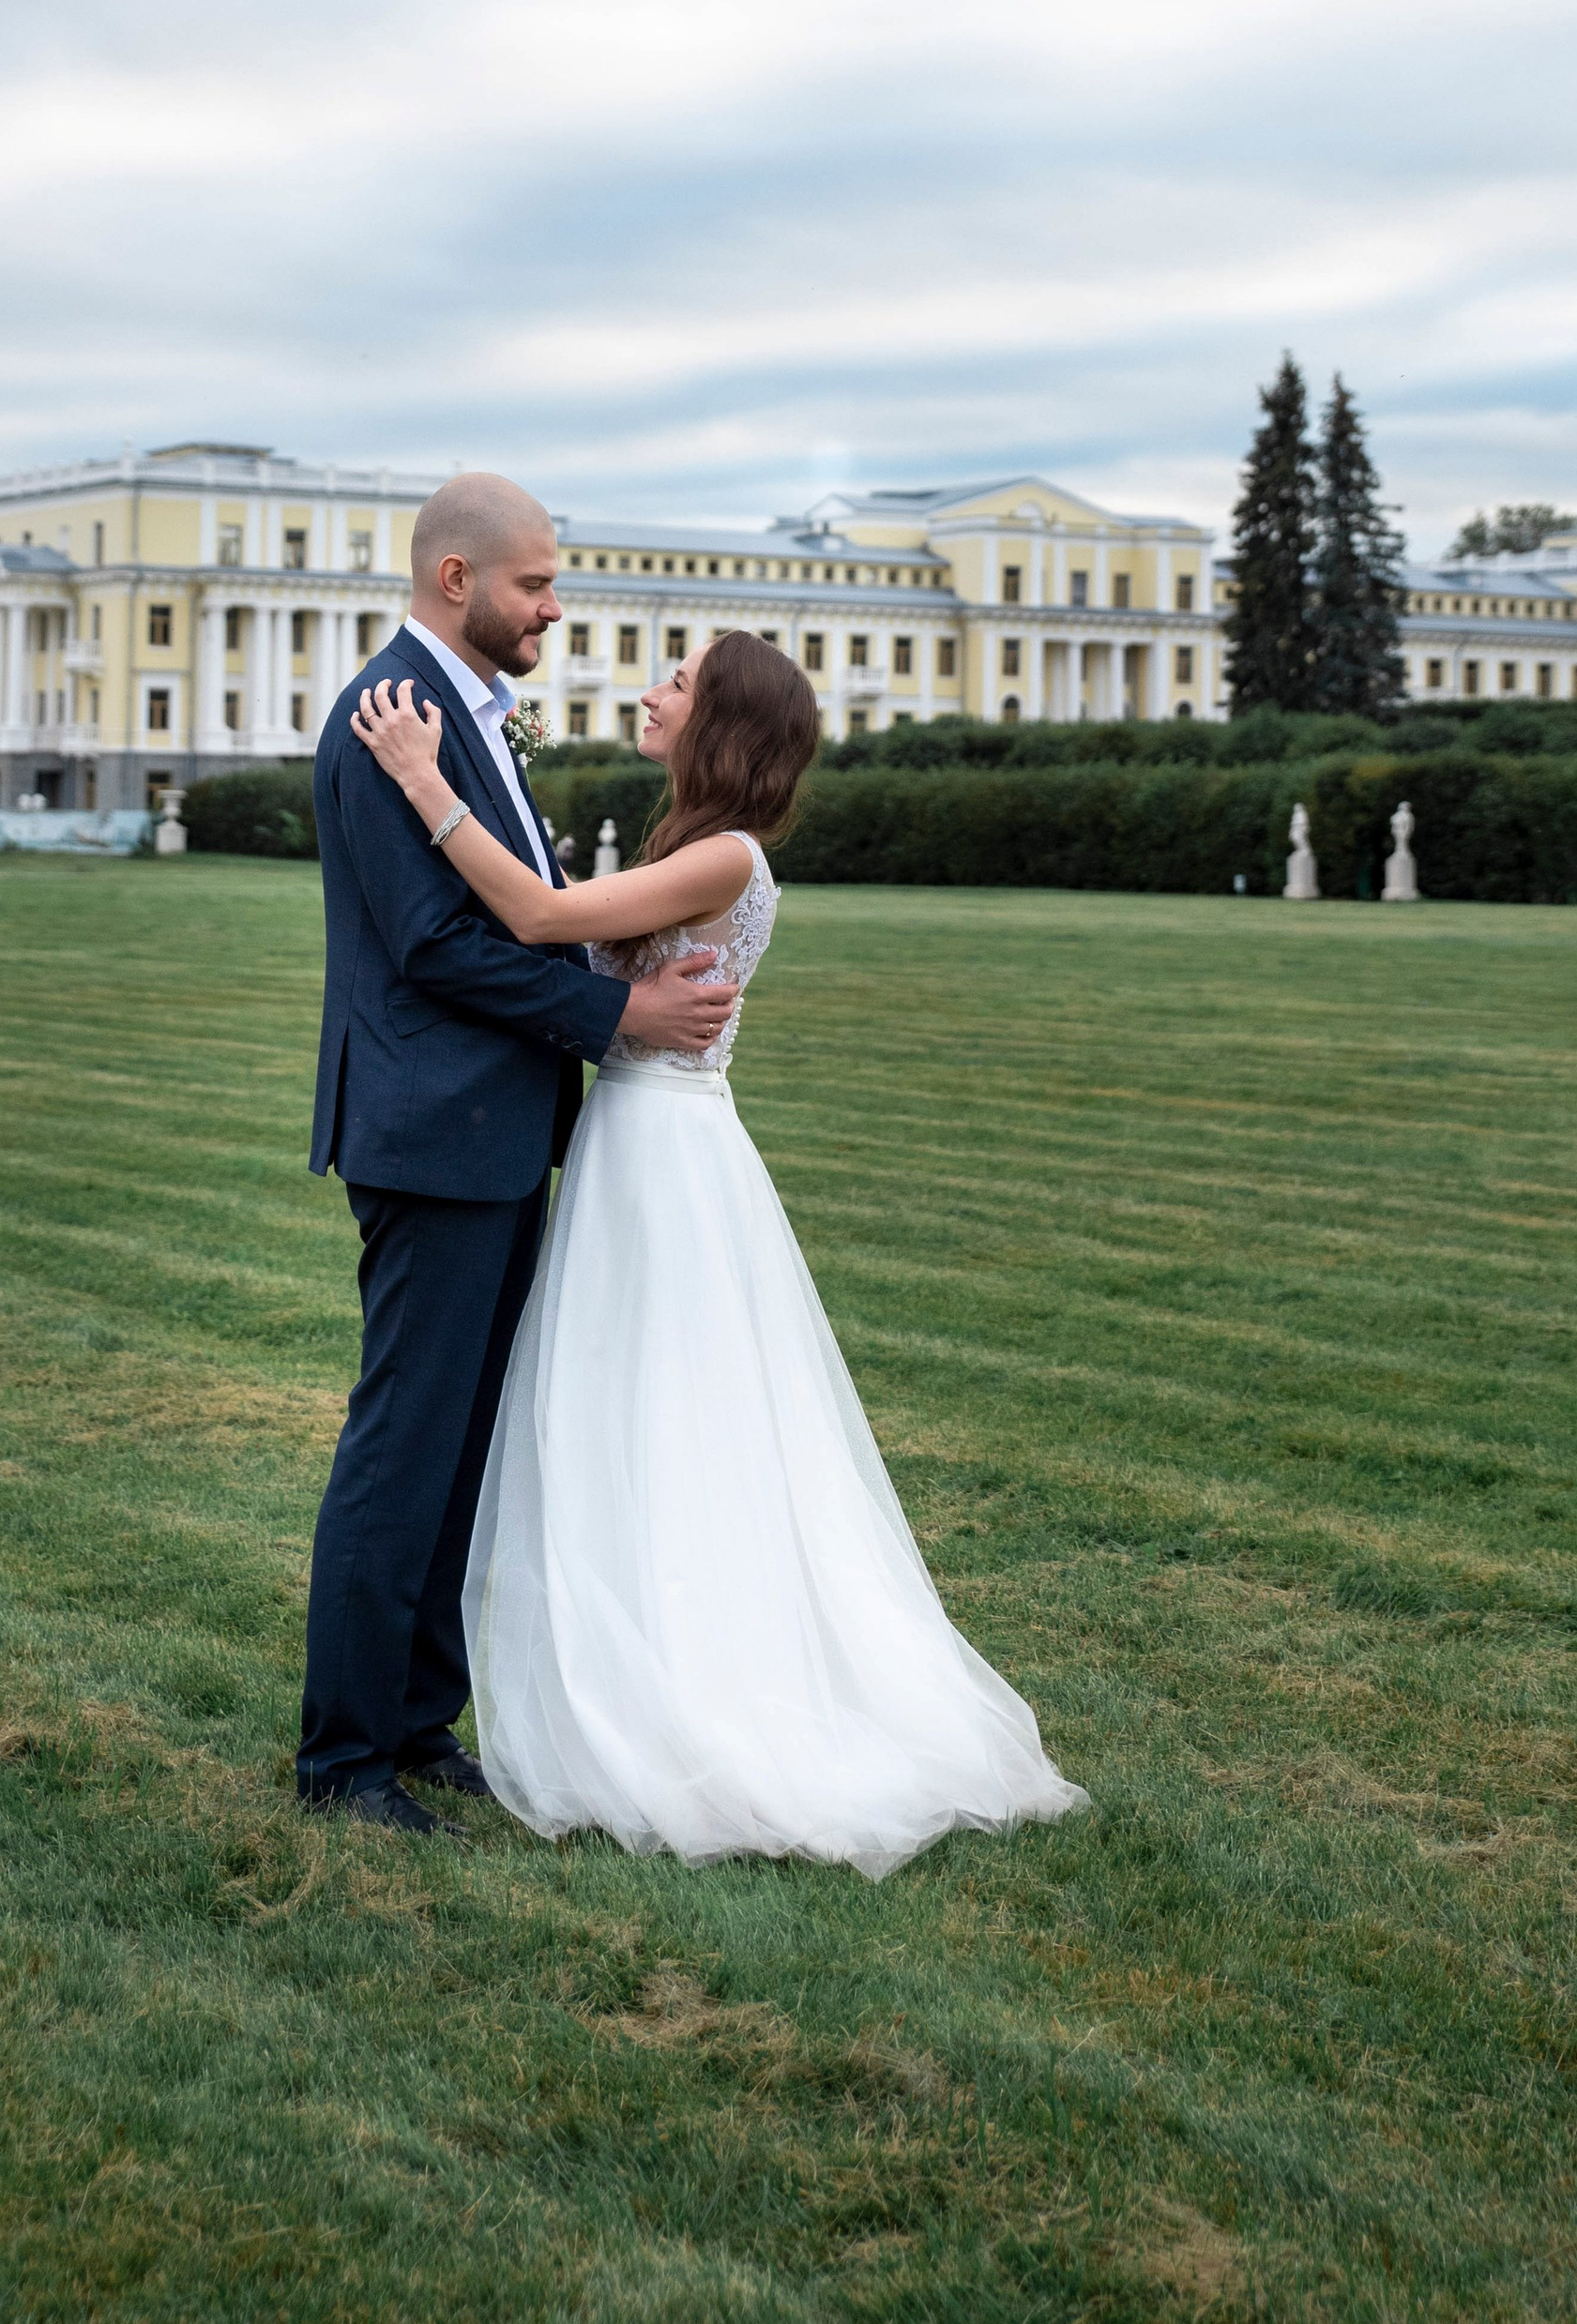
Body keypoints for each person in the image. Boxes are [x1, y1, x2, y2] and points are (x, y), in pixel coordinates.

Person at [350, 624, 1086, 1879]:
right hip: (636, 1148)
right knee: (623, 1414)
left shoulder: (726, 858)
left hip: (667, 1164)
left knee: (670, 1421)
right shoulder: (687, 846)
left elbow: (536, 913)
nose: (649, 690)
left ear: (724, 723)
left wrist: (427, 783)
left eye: (676, 683)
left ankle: (694, 1698)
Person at [297, 474, 740, 1836]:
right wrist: (622, 1017)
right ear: (455, 583)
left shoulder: (461, 716)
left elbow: (526, 917)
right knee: (405, 1444)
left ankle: (422, 1728)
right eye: (535, 585)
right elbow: (439, 949)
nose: (553, 606)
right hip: (435, 1138)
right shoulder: (393, 717)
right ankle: (347, 1762)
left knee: (463, 1450)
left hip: (491, 1135)